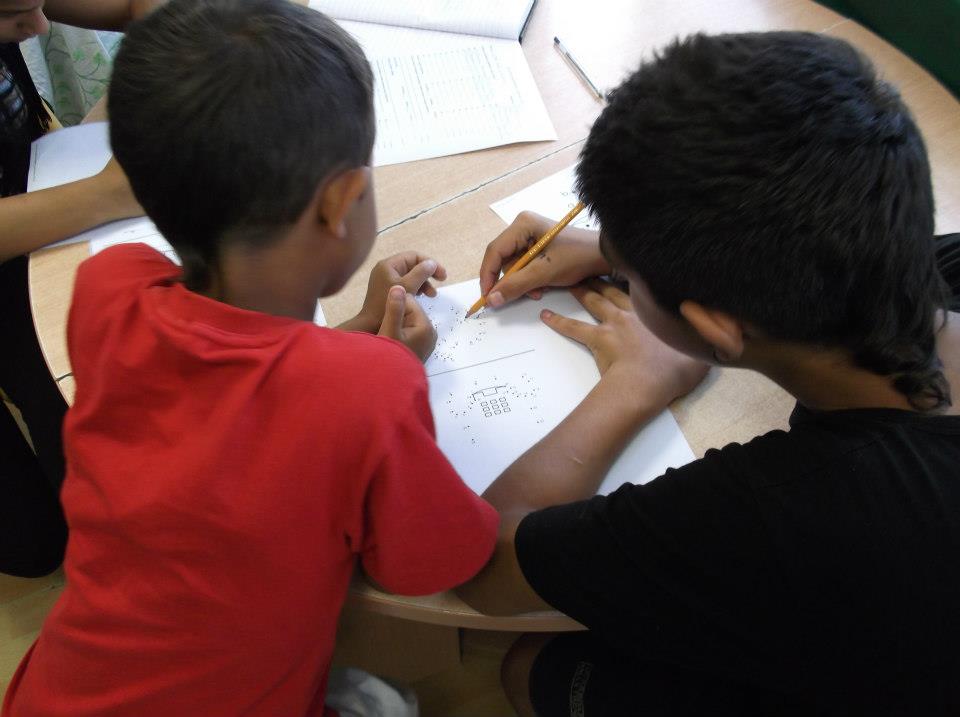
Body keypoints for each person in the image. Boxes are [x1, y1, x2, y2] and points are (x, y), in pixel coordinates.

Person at [1, 1, 498, 715]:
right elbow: (434, 562)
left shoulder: (107, 289)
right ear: (343, 202)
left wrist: (359, 327)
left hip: (61, 687)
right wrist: (382, 369)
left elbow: (227, 391)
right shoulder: (370, 390)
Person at [456, 32, 960, 715]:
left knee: (535, 666)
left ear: (717, 329)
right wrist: (616, 249)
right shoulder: (905, 257)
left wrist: (639, 380)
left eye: (630, 281)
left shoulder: (796, 508)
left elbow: (485, 564)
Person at [1, 0, 166, 577]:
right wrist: (110, 194)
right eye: (10, 17)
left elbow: (150, 7)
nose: (40, 28)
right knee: (37, 545)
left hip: (30, 187)